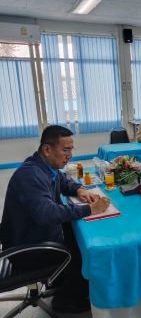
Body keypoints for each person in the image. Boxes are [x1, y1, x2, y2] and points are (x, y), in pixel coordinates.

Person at [0, 125, 110, 314]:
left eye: (71, 150)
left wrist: (79, 189)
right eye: (65, 150)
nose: (70, 155)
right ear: (47, 149)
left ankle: (60, 281)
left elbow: (63, 181)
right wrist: (90, 209)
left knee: (79, 234)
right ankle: (66, 299)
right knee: (88, 252)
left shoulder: (43, 167)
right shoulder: (31, 176)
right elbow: (47, 214)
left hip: (31, 234)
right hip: (27, 250)